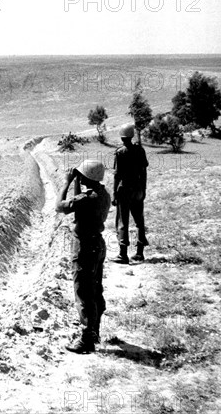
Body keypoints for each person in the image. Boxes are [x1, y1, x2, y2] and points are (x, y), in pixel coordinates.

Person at [56, 160, 111, 354]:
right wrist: (79, 182)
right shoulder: (102, 194)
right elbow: (80, 200)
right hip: (98, 244)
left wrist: (66, 182)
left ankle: (87, 339)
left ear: (86, 177)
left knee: (83, 292)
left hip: (85, 247)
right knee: (95, 289)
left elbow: (60, 207)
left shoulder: (87, 199)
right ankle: (94, 331)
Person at [111, 123, 149, 264]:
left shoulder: (120, 152)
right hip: (138, 188)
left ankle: (123, 254)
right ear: (132, 135)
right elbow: (144, 172)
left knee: (122, 221)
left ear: (122, 138)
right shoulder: (140, 150)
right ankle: (140, 252)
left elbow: (117, 176)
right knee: (139, 220)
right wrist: (143, 190)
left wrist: (114, 193)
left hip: (125, 189)